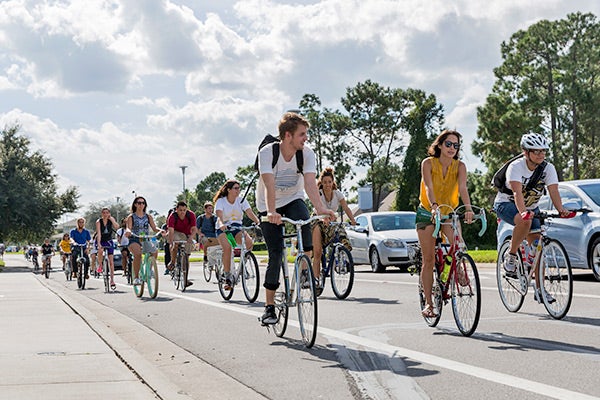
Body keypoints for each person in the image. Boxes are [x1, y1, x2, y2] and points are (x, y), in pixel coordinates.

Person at [256, 112, 335, 324]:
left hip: (293, 199)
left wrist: (321, 209)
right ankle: (269, 307)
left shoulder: (307, 154)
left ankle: (303, 275)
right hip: (268, 204)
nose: (305, 138)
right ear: (288, 135)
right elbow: (269, 185)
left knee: (306, 235)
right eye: (302, 134)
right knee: (275, 253)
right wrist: (272, 212)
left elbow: (310, 184)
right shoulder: (268, 153)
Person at [493, 133, 571, 303]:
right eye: (536, 152)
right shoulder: (516, 167)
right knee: (525, 221)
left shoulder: (548, 168)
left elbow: (554, 191)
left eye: (543, 151)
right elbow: (516, 193)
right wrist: (522, 213)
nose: (540, 155)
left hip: (531, 207)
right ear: (526, 152)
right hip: (506, 203)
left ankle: (540, 289)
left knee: (538, 247)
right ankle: (511, 256)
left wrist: (561, 209)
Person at [415, 129, 474, 318]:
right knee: (429, 258)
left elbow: (463, 188)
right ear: (439, 145)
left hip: (449, 213)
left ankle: (458, 269)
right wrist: (433, 207)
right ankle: (429, 304)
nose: (452, 148)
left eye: (456, 146)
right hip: (427, 212)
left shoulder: (460, 166)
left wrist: (469, 208)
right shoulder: (428, 163)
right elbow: (428, 186)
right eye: (448, 144)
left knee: (459, 245)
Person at [311, 167, 356, 295]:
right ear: (322, 183)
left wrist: (352, 220)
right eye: (325, 182)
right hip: (317, 221)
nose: (327, 185)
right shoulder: (319, 193)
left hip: (331, 222)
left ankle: (343, 257)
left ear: (333, 182)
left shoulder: (337, 194)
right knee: (318, 253)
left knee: (342, 235)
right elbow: (318, 208)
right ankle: (315, 280)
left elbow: (346, 208)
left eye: (329, 182)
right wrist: (324, 217)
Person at [213, 179, 260, 289]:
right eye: (235, 188)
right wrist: (221, 224)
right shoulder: (221, 201)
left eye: (239, 188)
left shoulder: (241, 200)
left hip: (237, 228)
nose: (238, 190)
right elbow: (219, 216)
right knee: (228, 248)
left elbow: (249, 213)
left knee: (249, 243)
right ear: (229, 190)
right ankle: (228, 276)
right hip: (224, 229)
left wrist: (259, 222)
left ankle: (242, 267)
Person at [125, 196, 163, 286]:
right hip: (134, 238)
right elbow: (128, 228)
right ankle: (136, 278)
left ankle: (149, 270)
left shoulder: (148, 216)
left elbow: (154, 227)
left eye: (143, 203)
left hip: (145, 238)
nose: (141, 205)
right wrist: (128, 231)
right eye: (139, 203)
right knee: (138, 254)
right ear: (135, 204)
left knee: (155, 251)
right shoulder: (131, 217)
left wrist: (161, 230)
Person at [166, 201, 197, 287]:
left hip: (187, 234)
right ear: (176, 210)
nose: (182, 212)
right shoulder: (172, 216)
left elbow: (194, 229)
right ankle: (172, 261)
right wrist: (171, 243)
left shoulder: (191, 215)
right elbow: (171, 231)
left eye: (184, 210)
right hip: (176, 232)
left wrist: (191, 237)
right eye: (180, 210)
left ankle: (185, 279)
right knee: (176, 243)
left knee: (186, 256)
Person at [96, 207, 119, 290]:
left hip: (109, 240)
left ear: (109, 213)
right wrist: (99, 244)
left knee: (111, 261)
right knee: (100, 250)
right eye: (104, 213)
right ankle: (100, 265)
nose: (105, 214)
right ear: (102, 214)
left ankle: (112, 280)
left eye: (107, 213)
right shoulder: (99, 221)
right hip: (101, 240)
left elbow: (117, 227)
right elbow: (99, 233)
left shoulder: (110, 220)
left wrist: (112, 220)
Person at [196, 201, 219, 266]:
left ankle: (215, 260)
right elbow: (196, 229)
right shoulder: (201, 218)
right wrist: (200, 234)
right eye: (209, 208)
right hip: (204, 235)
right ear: (205, 209)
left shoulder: (214, 218)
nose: (211, 210)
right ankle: (205, 256)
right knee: (206, 241)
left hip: (214, 235)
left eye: (211, 208)